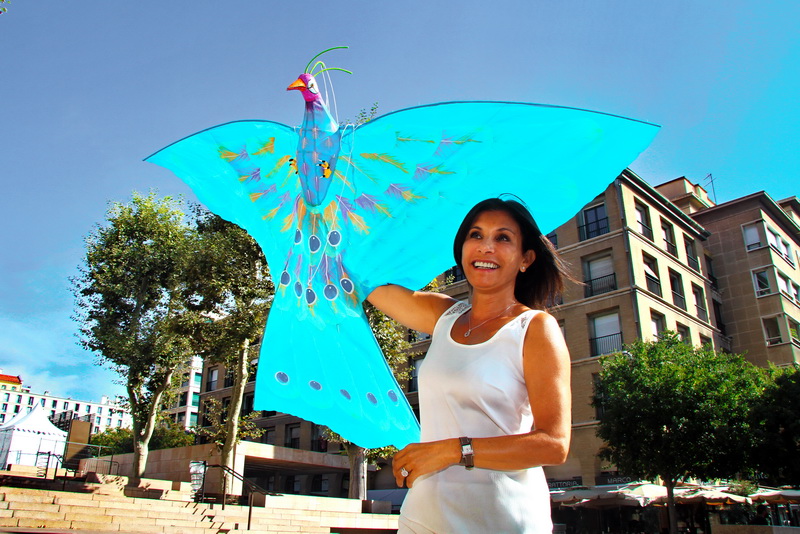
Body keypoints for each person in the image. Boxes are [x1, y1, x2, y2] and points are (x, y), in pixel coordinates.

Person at [368, 197, 572, 533]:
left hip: (500, 518)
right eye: (475, 236)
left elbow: (554, 444)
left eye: (503, 238)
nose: (486, 247)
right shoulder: (442, 315)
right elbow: (361, 280)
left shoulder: (534, 328)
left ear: (526, 259)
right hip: (423, 516)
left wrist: (452, 451)